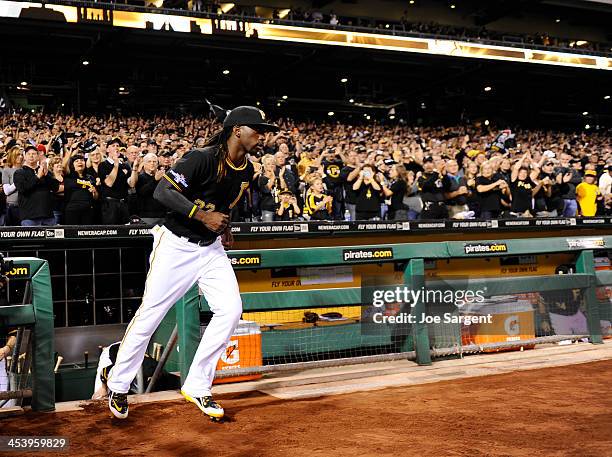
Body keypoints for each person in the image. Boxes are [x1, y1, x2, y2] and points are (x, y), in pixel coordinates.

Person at [106, 106, 279, 421]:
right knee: (150, 316)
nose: (261, 135)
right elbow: (162, 191)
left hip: (210, 249)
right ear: (237, 129)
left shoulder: (246, 169)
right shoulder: (202, 157)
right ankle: (118, 385)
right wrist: (203, 216)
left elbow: (225, 205)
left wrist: (223, 228)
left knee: (230, 310)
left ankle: (198, 385)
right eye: (257, 128)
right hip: (175, 245)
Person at [13, 145, 60, 226]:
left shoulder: (45, 172)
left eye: (34, 154)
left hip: (48, 215)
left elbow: (55, 187)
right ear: (25, 156)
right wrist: (38, 177)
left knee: (51, 239)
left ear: (38, 156)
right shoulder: (19, 173)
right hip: (30, 217)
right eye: (29, 154)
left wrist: (46, 174)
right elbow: (23, 189)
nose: (31, 156)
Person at [98, 138, 132, 224]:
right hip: (110, 204)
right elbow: (109, 183)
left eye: (118, 146)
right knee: (111, 232)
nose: (116, 148)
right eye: (113, 146)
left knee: (126, 231)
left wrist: (134, 169)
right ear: (108, 149)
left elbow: (131, 184)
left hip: (124, 202)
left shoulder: (125, 165)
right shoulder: (103, 165)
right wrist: (116, 165)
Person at [63, 155, 98, 225]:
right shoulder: (68, 175)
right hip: (72, 210)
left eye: (82, 160)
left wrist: (95, 192)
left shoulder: (90, 177)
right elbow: (63, 166)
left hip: (87, 210)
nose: (80, 162)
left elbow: (96, 197)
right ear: (72, 165)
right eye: (76, 161)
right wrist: (70, 152)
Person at [136, 153, 166, 225]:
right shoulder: (140, 178)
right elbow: (142, 192)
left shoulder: (163, 178)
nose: (152, 163)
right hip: (147, 216)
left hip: (163, 216)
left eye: (154, 161)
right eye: (149, 161)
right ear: (144, 164)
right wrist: (155, 180)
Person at [2, 146, 23, 226]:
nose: (20, 157)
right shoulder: (7, 170)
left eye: (21, 155)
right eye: (18, 155)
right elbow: (6, 191)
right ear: (12, 156)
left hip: (24, 205)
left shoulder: (25, 169)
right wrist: (18, 181)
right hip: (12, 206)